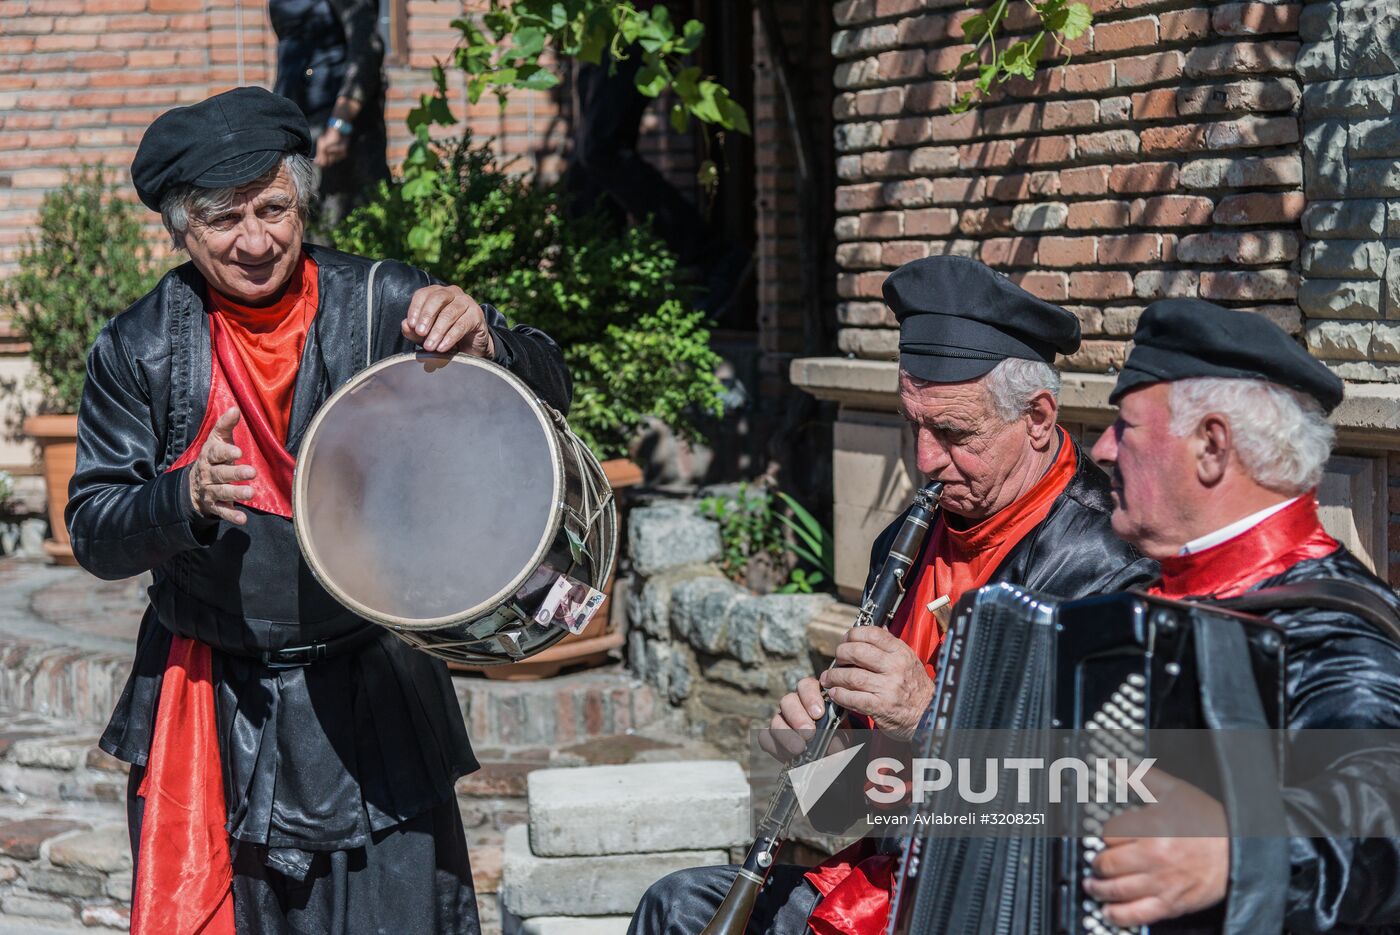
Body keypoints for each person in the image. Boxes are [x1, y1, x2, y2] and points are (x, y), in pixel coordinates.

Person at [66, 87, 570, 934]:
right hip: (215, 697)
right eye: (226, 219)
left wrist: (491, 344)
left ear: (303, 202)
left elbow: (547, 402)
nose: (256, 239)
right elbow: (93, 526)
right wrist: (182, 495)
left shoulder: (386, 301)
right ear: (182, 231)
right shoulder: (138, 345)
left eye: (274, 207)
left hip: (371, 694)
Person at [629, 256, 1157, 935]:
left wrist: (928, 712)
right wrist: (824, 762)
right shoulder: (904, 546)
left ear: (1037, 417)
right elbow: (877, 803)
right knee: (674, 908)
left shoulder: (1110, 569)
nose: (925, 459)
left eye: (954, 433)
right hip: (891, 880)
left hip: (1004, 904)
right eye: (914, 425)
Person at [1087, 298, 1400, 931]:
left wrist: (1241, 849)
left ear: (1211, 446)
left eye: (1126, 427)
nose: (1100, 449)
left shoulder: (1336, 630)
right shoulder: (1148, 598)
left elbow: (1384, 803)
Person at [269, 0, 390, 230]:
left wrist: (339, 125)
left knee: (339, 225)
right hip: (296, 121)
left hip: (334, 123)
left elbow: (366, 50)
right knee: (302, 222)